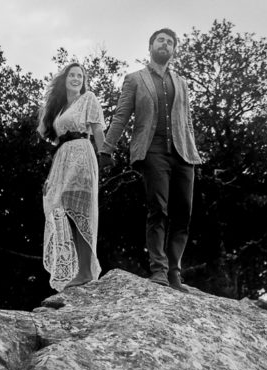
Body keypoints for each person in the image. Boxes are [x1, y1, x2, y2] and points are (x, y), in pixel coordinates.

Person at [98, 28, 202, 291]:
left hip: (182, 153)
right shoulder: (135, 79)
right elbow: (121, 115)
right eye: (160, 40)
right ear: (151, 46)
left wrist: (192, 150)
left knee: (183, 214)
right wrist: (107, 148)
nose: (165, 44)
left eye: (170, 42)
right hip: (153, 150)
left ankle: (175, 272)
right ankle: (158, 269)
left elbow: (186, 120)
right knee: (159, 209)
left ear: (174, 49)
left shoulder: (182, 82)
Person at [38, 63, 106, 291]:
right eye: (72, 75)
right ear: (65, 79)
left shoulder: (89, 99)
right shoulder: (58, 109)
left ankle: (86, 271)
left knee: (80, 210)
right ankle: (79, 268)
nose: (76, 78)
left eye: (80, 76)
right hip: (63, 159)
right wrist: (50, 178)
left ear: (84, 81)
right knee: (61, 209)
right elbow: (57, 142)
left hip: (82, 154)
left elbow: (98, 130)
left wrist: (104, 155)